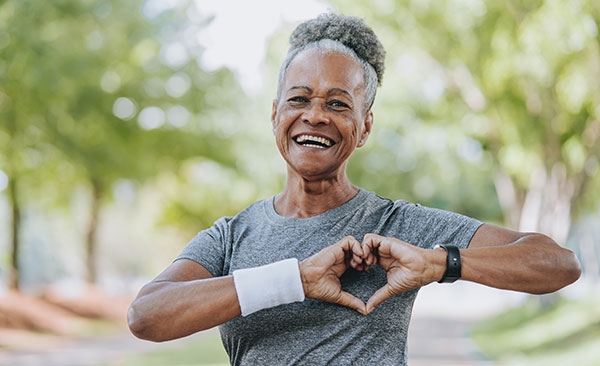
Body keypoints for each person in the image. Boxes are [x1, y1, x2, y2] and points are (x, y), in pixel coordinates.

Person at [128, 13, 581, 365]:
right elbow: (146, 315)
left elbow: (557, 264)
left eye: (338, 103)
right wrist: (295, 280)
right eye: (299, 99)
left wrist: (439, 262)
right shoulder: (231, 236)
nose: (315, 115)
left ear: (364, 127)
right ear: (275, 115)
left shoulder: (398, 226)